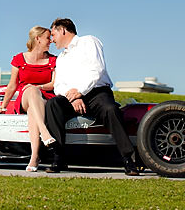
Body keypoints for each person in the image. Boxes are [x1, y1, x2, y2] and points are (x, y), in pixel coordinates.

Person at [43, 18, 140, 175]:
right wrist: (74, 97)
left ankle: (128, 159)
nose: (52, 39)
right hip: (72, 97)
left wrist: (80, 91)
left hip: (97, 93)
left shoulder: (89, 41)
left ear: (63, 30)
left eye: (53, 34)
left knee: (111, 109)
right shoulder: (61, 58)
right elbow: (59, 85)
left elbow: (97, 69)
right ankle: (58, 157)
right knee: (53, 104)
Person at [0, 25, 57, 171]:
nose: (51, 41)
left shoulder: (53, 60)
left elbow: (54, 83)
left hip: (45, 98)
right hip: (25, 98)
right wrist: (3, 107)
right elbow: (12, 86)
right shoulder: (19, 59)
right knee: (29, 90)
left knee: (32, 109)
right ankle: (45, 132)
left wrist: (38, 87)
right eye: (48, 38)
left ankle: (35, 157)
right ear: (38, 39)